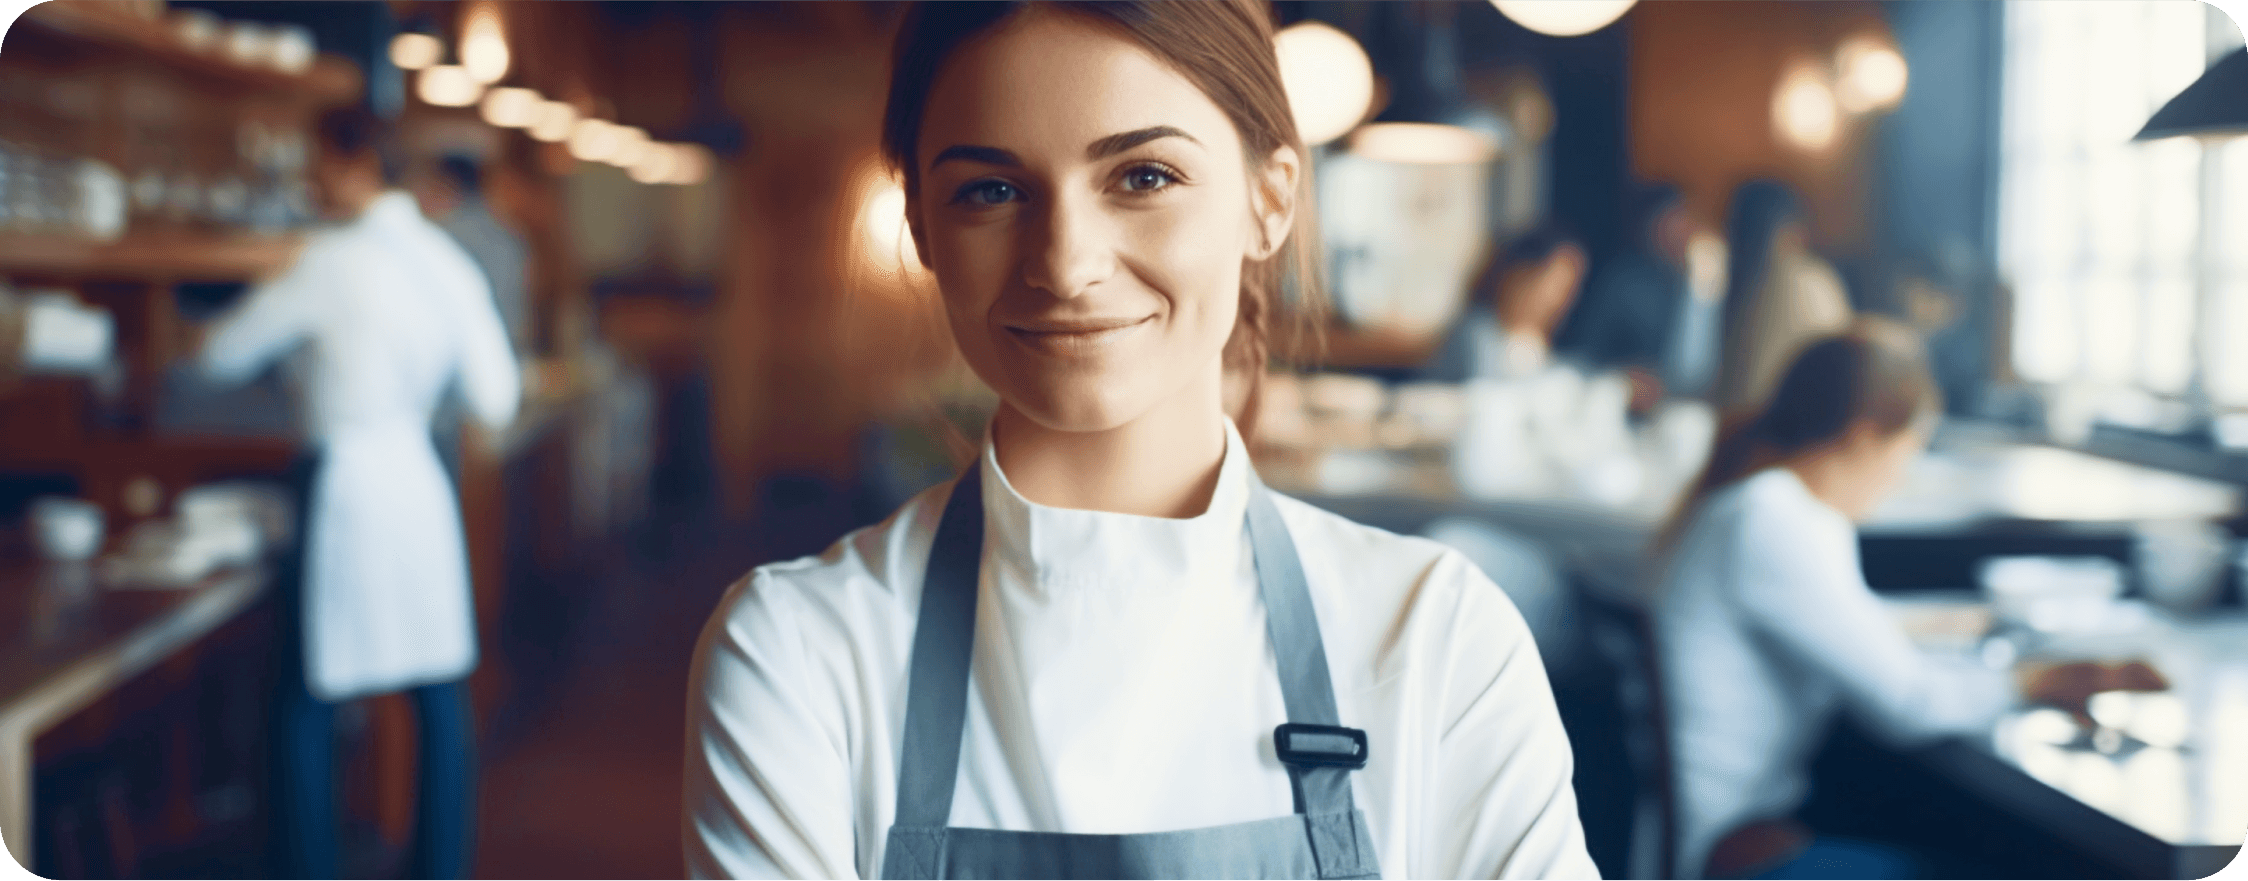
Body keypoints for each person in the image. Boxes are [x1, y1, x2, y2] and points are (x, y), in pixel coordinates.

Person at [681, 3, 1599, 879]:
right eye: (991, 190)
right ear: (922, 224)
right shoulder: (795, 660)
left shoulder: (1440, 641)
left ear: (1269, 200)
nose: (1066, 263)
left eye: (1143, 176)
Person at [1649, 319, 2125, 880]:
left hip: (1729, 826)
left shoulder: (1753, 504)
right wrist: (2035, 680)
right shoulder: (1775, 521)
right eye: (1909, 450)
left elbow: (1857, 633)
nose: (1902, 476)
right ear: (1864, 436)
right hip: (1731, 851)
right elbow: (1909, 703)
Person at [197, 105, 520, 881]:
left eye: (319, 162)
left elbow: (218, 354)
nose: (311, 179)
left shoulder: (328, 260)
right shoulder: (448, 262)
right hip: (417, 476)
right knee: (438, 689)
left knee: (304, 695)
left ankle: (305, 866)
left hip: (342, 481)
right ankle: (441, 867)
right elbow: (497, 397)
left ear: (352, 164)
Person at [1555, 182, 1723, 404]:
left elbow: (1692, 376)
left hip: (1677, 404)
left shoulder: (1703, 282)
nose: (1682, 231)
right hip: (1619, 400)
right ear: (1649, 228)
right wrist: (1623, 379)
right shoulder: (1623, 282)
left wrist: (1700, 288)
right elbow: (1585, 353)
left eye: (1685, 220)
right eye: (1671, 222)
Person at [1707, 179, 1852, 418]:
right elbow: (1845, 377)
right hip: (1796, 437)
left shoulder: (1721, 284)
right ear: (1793, 229)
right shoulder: (1813, 282)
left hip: (1729, 436)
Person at [1421, 225, 1588, 385]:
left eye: (1568, 289)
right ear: (1519, 275)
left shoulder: (1546, 351)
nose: (1558, 300)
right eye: (1553, 285)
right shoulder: (1474, 335)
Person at [417, 153, 532, 360]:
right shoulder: (510, 236)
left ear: (446, 186)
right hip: (510, 354)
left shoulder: (439, 239)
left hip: (459, 361)